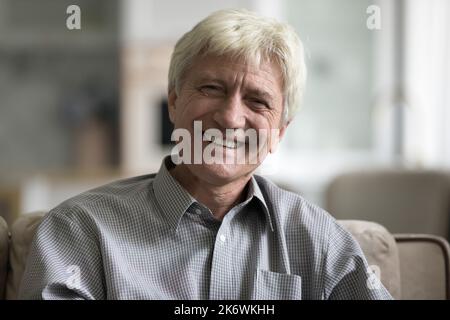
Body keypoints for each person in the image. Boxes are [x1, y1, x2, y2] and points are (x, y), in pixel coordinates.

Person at [19, 9, 392, 300]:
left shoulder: (320, 240)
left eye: (257, 101)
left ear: (279, 132)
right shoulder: (79, 230)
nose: (230, 118)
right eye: (212, 88)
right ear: (175, 101)